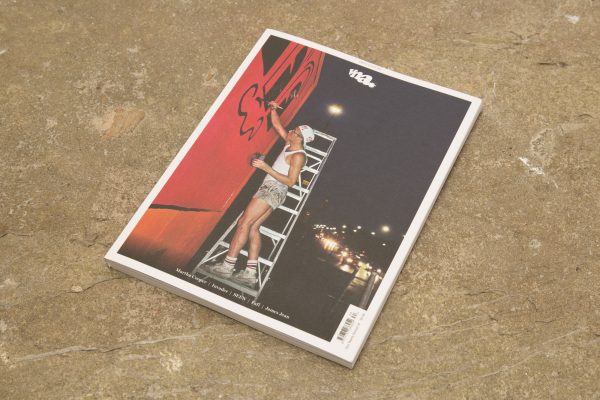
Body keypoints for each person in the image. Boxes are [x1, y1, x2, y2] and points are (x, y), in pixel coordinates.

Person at [202, 101, 315, 288]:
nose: (291, 131)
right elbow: (277, 125)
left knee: (243, 223)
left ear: (300, 138)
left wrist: (265, 167)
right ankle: (250, 274)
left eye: (295, 131)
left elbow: (291, 182)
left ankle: (226, 267)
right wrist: (273, 110)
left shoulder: (299, 156)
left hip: (273, 189)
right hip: (273, 190)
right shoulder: (289, 143)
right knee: (253, 228)